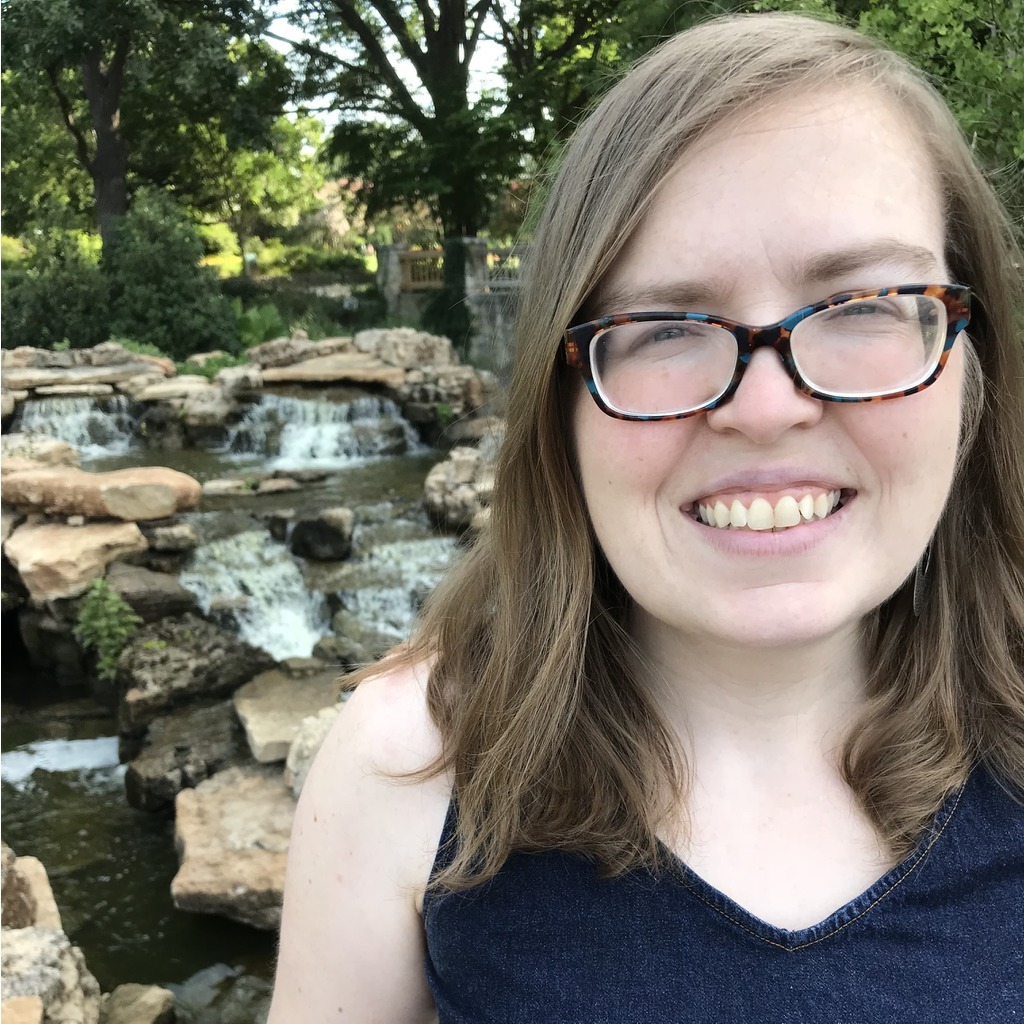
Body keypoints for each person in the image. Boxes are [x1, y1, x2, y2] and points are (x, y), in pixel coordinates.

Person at [268, 12, 1024, 1022]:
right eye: (663, 328)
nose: (766, 408)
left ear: (972, 364)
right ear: (560, 403)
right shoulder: (405, 767)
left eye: (862, 306)